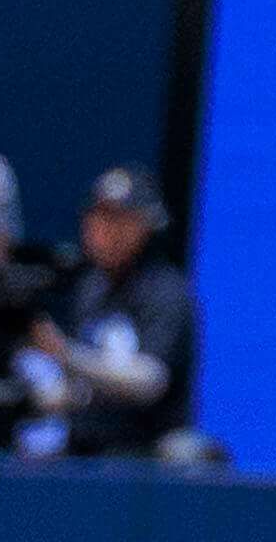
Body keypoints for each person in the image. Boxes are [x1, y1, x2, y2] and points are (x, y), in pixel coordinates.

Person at [26, 167, 192, 458]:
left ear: (146, 225)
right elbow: (79, 387)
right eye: (97, 217)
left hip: (145, 453)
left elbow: (151, 380)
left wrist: (67, 355)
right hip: (82, 446)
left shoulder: (165, 290)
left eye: (118, 219)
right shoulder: (90, 288)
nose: (103, 230)